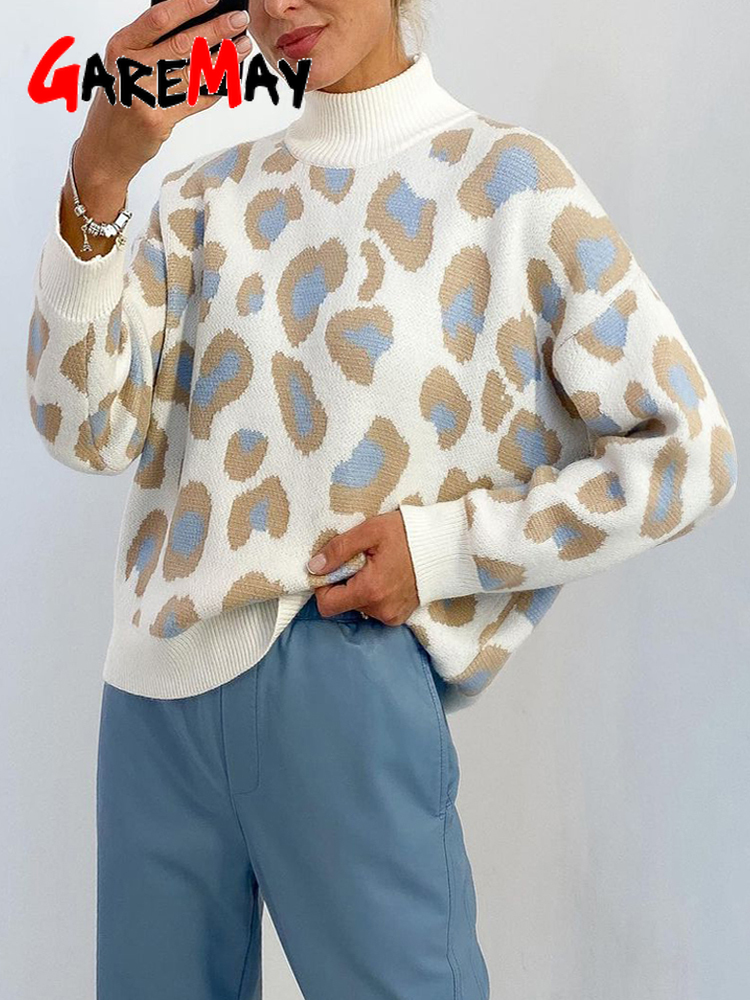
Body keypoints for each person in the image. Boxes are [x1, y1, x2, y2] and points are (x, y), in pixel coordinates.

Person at [25, 0, 738, 996]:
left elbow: (687, 453)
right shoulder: (201, 197)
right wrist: (98, 179)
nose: (279, 7)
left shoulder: (507, 183)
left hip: (344, 675)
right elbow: (82, 430)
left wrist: (445, 549)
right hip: (151, 703)